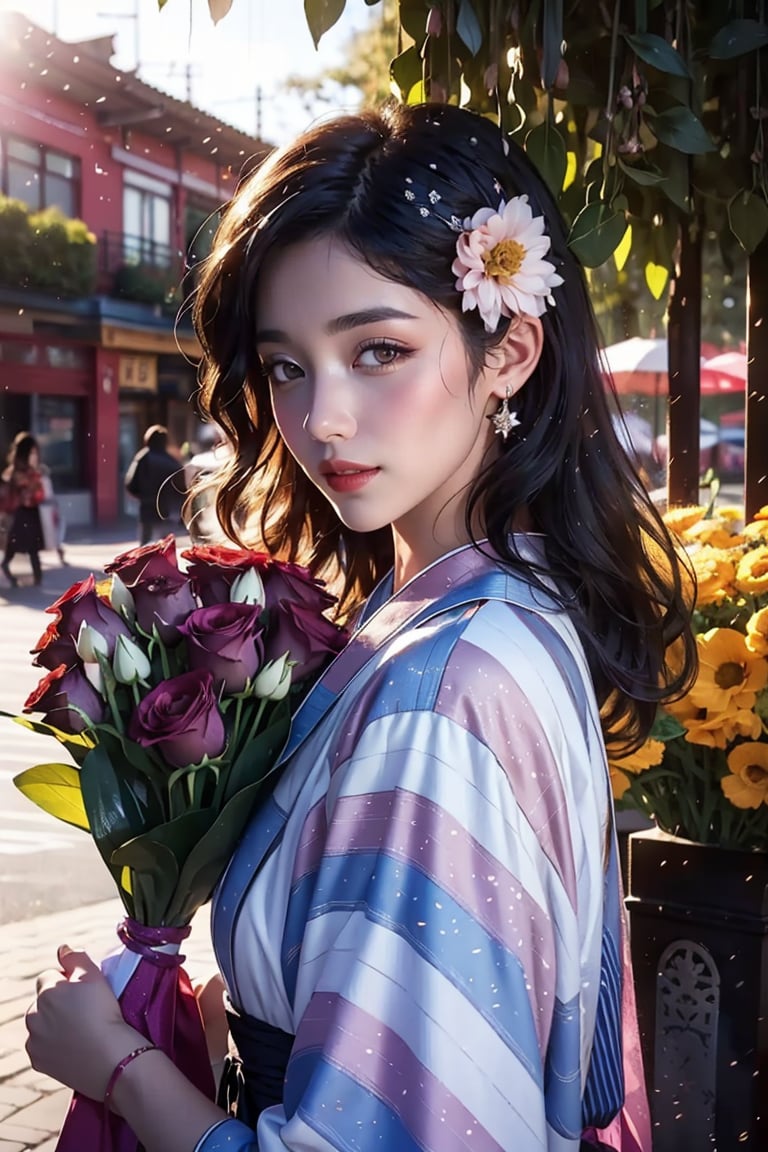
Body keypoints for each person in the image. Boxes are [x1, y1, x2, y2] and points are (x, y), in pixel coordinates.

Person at [26, 103, 697, 1151]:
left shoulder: (444, 686)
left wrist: (118, 1066)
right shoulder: (470, 607)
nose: (322, 417)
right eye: (286, 366)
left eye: (378, 350)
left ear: (511, 348)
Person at [124, 424, 186, 545]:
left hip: (146, 509)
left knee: (144, 548)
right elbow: (182, 489)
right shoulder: (172, 463)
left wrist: (142, 496)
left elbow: (130, 483)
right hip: (166, 512)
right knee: (165, 547)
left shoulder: (142, 458)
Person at [1, 431, 45, 586]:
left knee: (30, 546)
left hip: (30, 511)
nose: (35, 455)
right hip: (21, 512)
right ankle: (8, 566)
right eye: (32, 452)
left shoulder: (29, 471)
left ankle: (37, 578)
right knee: (21, 544)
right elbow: (32, 492)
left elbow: (40, 494)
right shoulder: (18, 472)